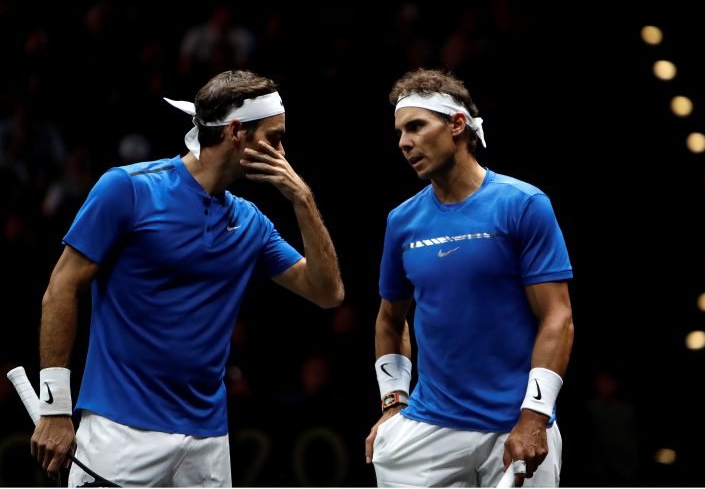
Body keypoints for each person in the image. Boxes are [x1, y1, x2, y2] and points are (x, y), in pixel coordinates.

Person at [29, 69, 345, 487]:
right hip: (120, 433)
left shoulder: (250, 221)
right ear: (236, 132)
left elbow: (328, 292)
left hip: (207, 443)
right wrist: (54, 407)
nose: (283, 151)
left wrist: (302, 199)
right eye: (275, 137)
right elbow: (61, 288)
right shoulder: (127, 189)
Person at [364, 68, 574, 488]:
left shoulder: (523, 205)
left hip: (516, 428)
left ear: (457, 125)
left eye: (417, 127)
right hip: (428, 428)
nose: (404, 142)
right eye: (400, 132)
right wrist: (392, 404)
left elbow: (558, 318)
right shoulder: (402, 221)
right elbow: (390, 318)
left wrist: (534, 416)